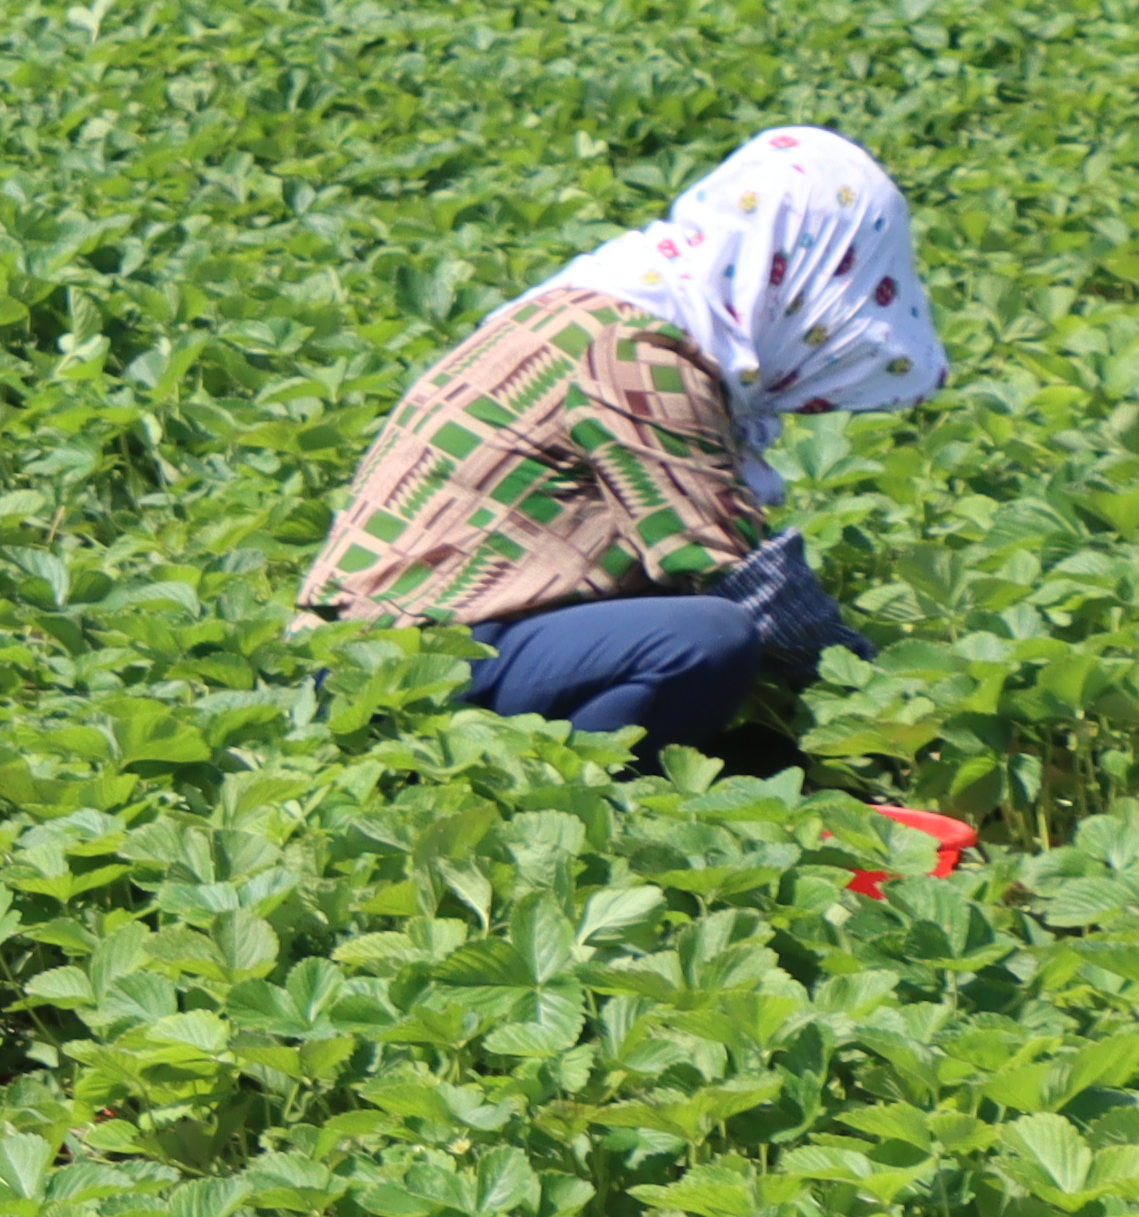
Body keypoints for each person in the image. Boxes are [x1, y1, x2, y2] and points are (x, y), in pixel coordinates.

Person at [300, 129, 945, 772]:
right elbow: (731, 572)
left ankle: (620, 778)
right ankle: (561, 795)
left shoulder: (614, 307)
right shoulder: (634, 355)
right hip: (388, 665)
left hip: (416, 646)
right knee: (707, 639)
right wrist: (884, 704)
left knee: (753, 739)